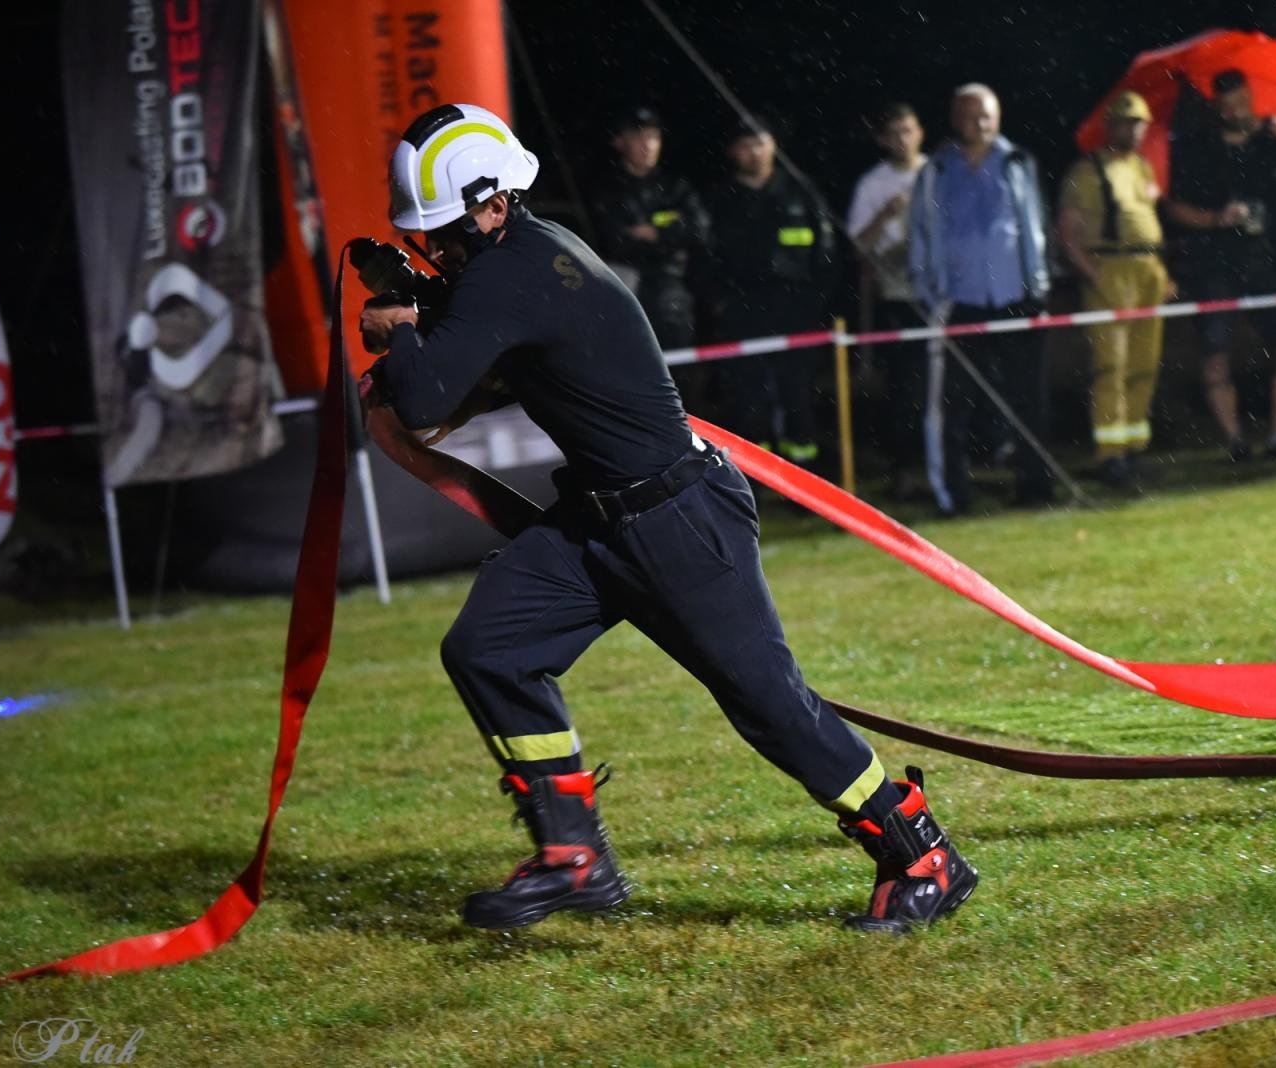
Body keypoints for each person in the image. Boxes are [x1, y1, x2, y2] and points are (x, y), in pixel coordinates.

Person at [358, 103, 976, 935]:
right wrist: (427, 336)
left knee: (773, 709)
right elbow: (476, 390)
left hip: (678, 520)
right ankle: (571, 855)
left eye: (443, 232)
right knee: (488, 649)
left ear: (494, 203)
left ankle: (921, 851)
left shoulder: (511, 273)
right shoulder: (526, 261)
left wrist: (401, 334)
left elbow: (429, 396)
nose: (436, 250)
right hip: (604, 519)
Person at [1166, 69, 1276, 462]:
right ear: (1216, 107)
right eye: (1228, 104)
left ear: (1251, 97)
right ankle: (1235, 442)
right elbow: (1172, 207)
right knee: (1215, 353)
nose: (1236, 109)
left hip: (1272, 263)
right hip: (1215, 267)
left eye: (1242, 101)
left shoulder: (1273, 140)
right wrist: (1215, 219)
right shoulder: (1196, 148)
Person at [908, 83, 1055, 514]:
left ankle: (1036, 489)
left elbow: (1035, 225)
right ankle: (954, 496)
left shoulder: (1017, 162)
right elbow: (920, 232)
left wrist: (1039, 285)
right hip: (959, 302)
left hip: (1017, 297)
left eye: (990, 115)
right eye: (974, 116)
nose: (984, 124)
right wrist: (926, 290)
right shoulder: (935, 170)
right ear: (956, 119)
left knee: (1029, 400)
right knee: (952, 408)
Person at [703, 117, 837, 469]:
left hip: (797, 307)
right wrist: (719, 302)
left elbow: (826, 251)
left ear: (773, 145)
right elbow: (706, 256)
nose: (754, 152)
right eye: (745, 145)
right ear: (733, 152)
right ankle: (753, 481)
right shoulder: (720, 199)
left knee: (800, 395)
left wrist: (818, 300)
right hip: (743, 310)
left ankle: (806, 480)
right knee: (748, 399)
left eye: (760, 142)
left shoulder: (801, 191)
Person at [1057, 91, 1173, 491]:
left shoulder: (1142, 167)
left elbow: (1149, 218)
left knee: (1145, 363)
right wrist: (1094, 274)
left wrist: (1162, 273)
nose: (1134, 129)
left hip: (1147, 271)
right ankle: (1110, 456)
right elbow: (1068, 235)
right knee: (1112, 367)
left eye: (1140, 122)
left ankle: (1133, 449)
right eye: (1126, 122)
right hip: (1111, 270)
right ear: (1110, 126)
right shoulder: (1087, 171)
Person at [847, 102, 929, 498]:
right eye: (894, 132)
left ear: (920, 132)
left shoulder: (937, 173)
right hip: (895, 294)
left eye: (909, 130)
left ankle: (949, 467)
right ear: (882, 140)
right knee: (904, 387)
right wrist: (884, 215)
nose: (903, 139)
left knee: (943, 387)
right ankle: (904, 469)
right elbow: (856, 247)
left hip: (941, 291)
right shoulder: (872, 184)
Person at [589, 106, 709, 354]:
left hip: (671, 293)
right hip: (623, 290)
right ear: (619, 142)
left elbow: (700, 232)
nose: (648, 145)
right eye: (639, 137)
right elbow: (610, 240)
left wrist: (656, 234)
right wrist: (667, 237)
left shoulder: (677, 186)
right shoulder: (604, 189)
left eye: (654, 137)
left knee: (676, 366)